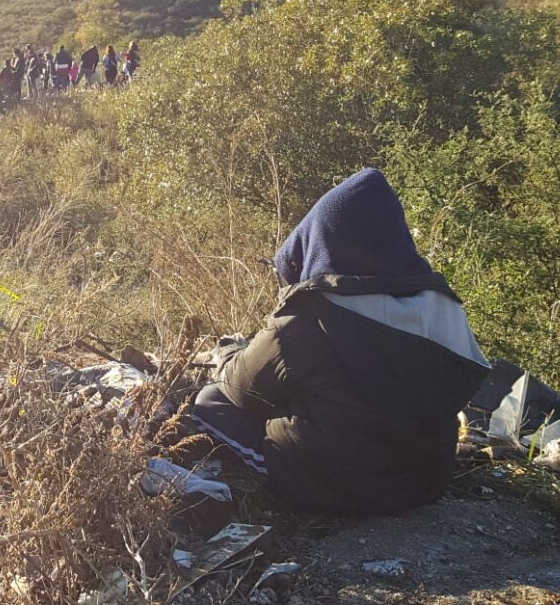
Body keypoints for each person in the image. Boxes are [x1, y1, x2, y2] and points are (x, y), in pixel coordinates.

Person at [187, 169, 490, 516]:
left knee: (210, 402)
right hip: (427, 482)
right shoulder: (445, 310)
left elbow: (238, 388)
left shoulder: (313, 315)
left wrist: (227, 352)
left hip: (336, 489)